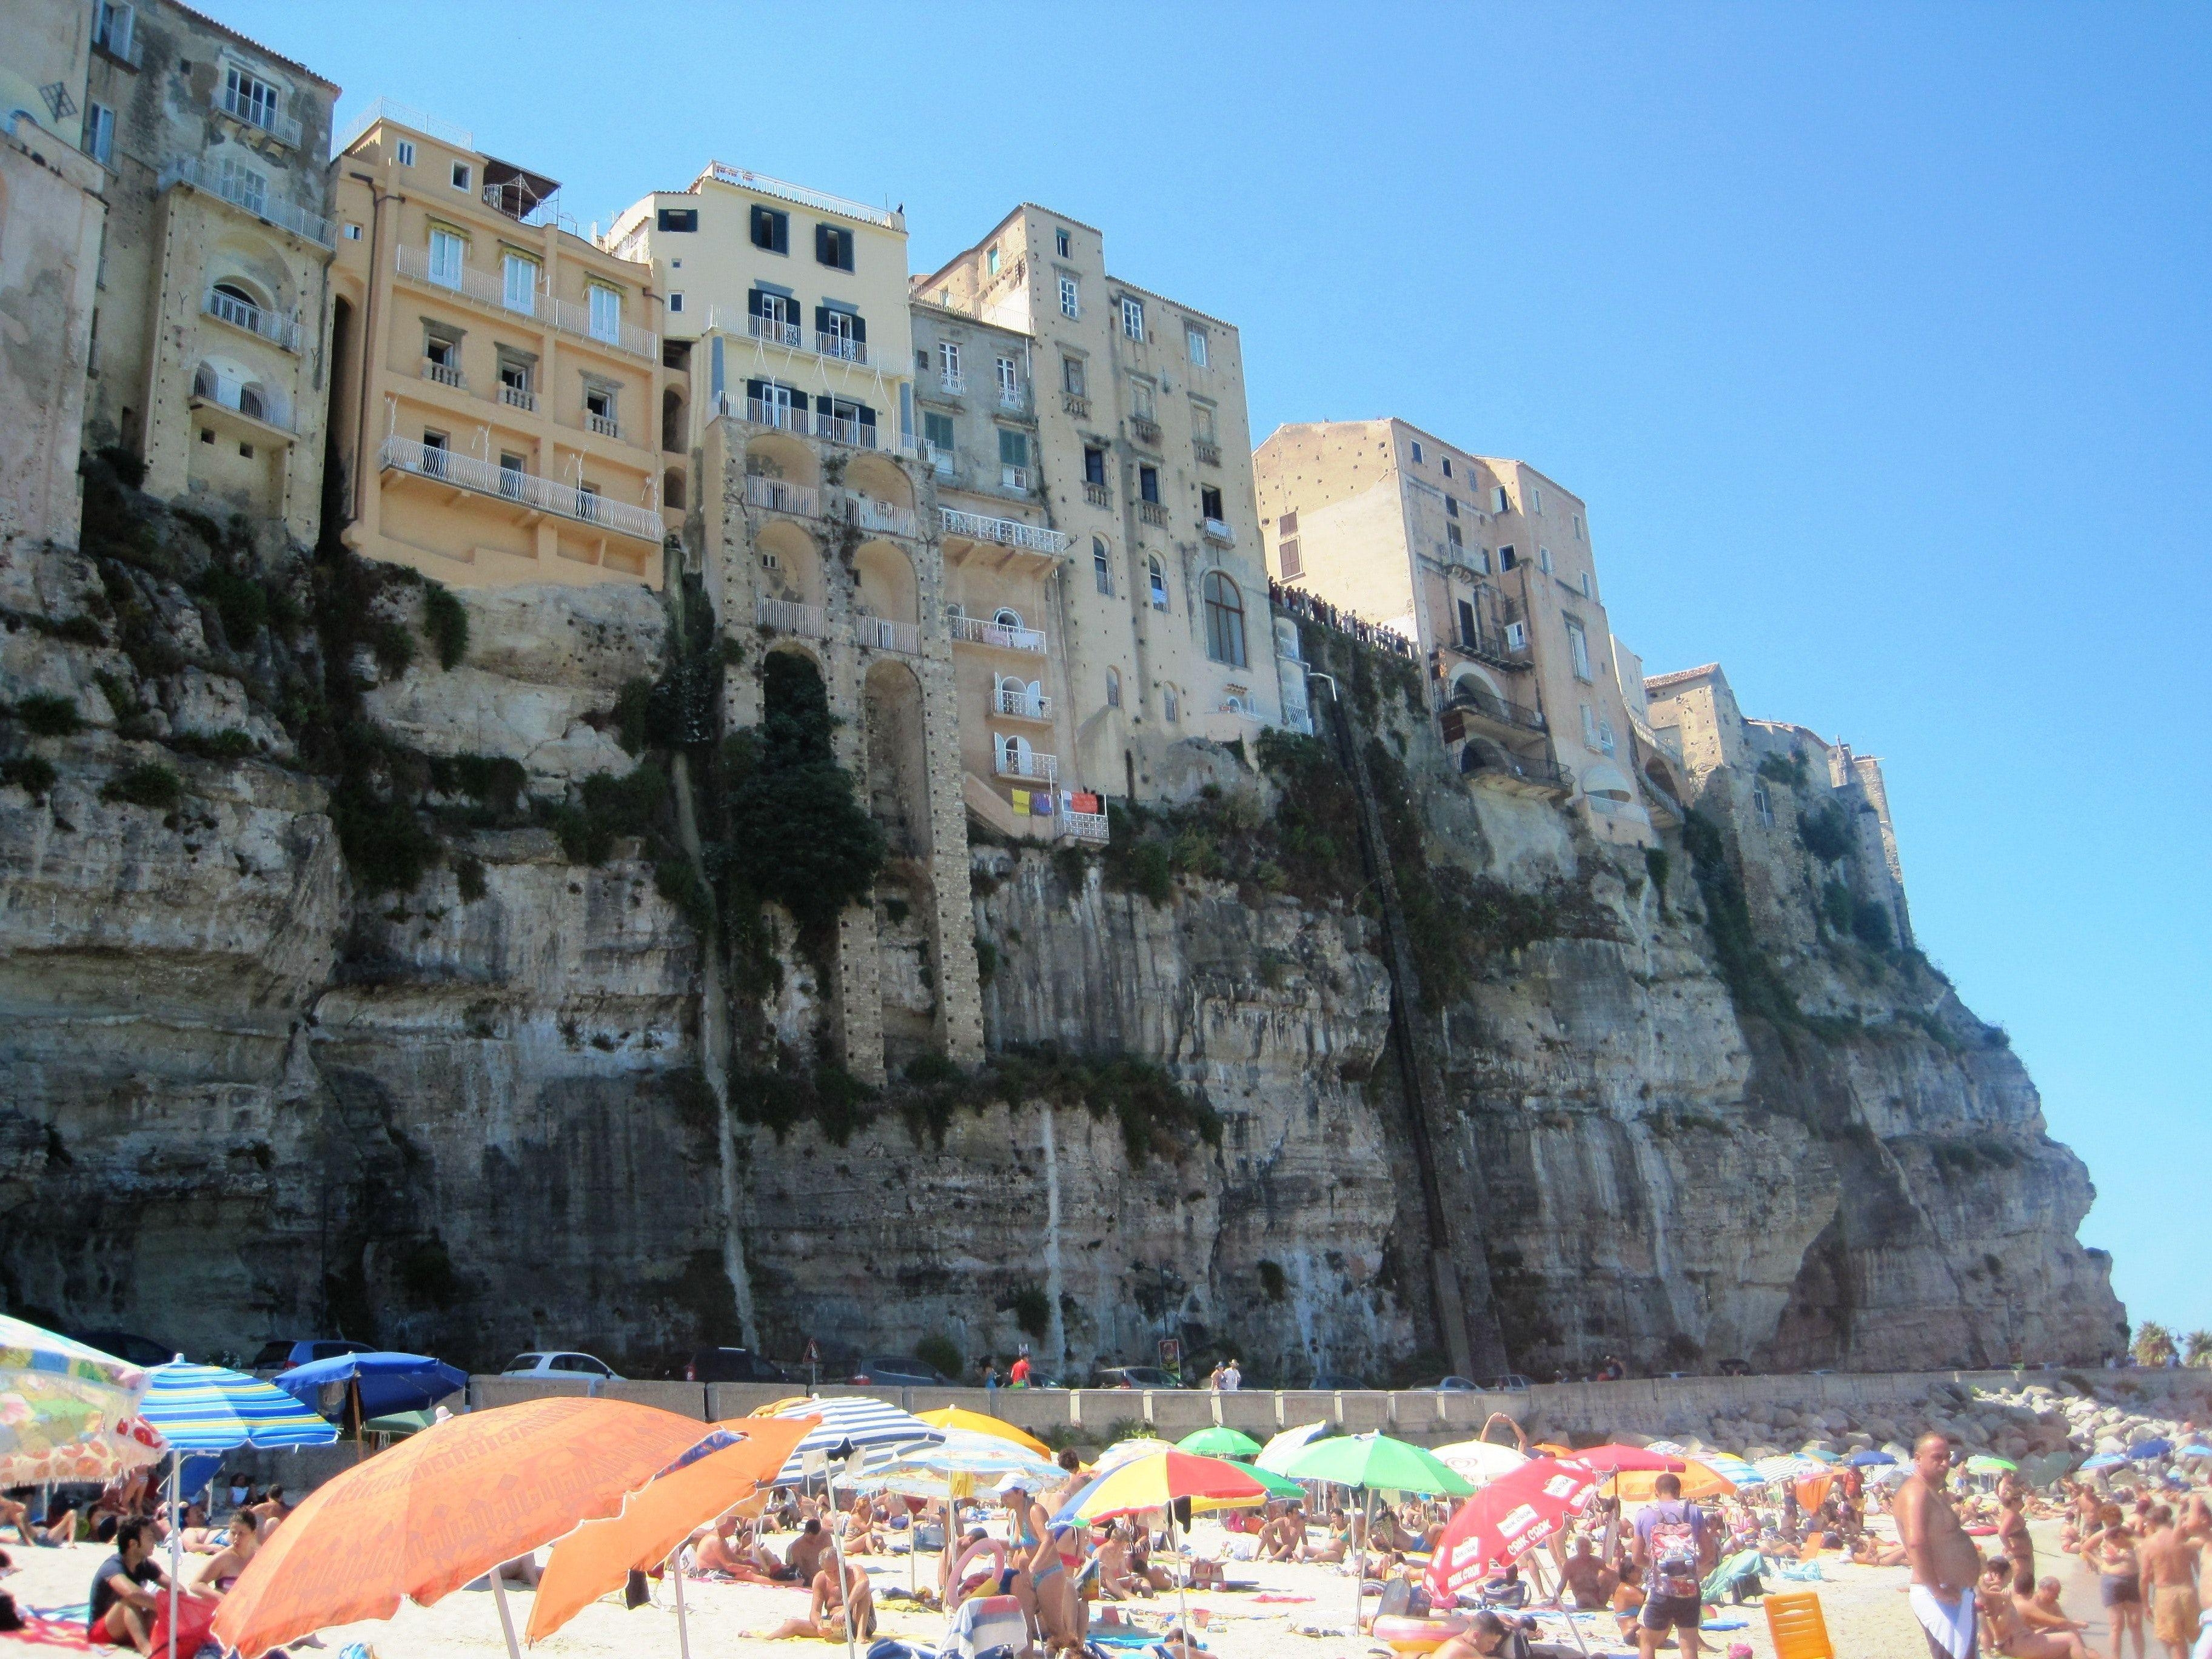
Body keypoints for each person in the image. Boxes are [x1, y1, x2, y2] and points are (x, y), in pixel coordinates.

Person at [1899, 1434, 1983, 1659]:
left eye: (1947, 1457)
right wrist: (1937, 1590)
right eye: (1937, 1458)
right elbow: (1916, 1543)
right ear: (1918, 1458)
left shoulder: (1930, 1493)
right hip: (1939, 1596)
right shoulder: (1916, 1493)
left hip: (1954, 1594)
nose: (1945, 1464)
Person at [1631, 1471, 1714, 1659]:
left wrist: (1656, 1566)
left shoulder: (1645, 1513)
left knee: (1648, 1641)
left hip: (1660, 1588)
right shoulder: (1693, 1511)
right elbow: (1709, 1554)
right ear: (1679, 1490)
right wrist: (1689, 1567)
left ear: (1656, 1491)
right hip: (1689, 1587)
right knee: (1689, 1644)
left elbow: (1636, 1558)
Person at [89, 1519, 167, 1653]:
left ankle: (149, 1642)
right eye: (149, 1538)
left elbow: (176, 1588)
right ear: (133, 1544)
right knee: (130, 1601)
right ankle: (146, 1650)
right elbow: (131, 1593)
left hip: (130, 1627)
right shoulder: (113, 1566)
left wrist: (169, 1601)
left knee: (162, 1597)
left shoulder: (145, 1565)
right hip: (102, 1631)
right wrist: (165, 1606)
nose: (154, 1541)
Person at [2143, 1504, 2202, 1659]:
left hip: (2166, 1595)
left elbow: (2144, 1577)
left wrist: (2145, 1604)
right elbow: (2199, 1569)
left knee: (2176, 1643)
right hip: (2189, 1592)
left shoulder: (2150, 1543)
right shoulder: (2184, 1539)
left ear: (2152, 1522)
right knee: (2200, 1638)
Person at [2090, 1506, 2148, 1659]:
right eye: (2109, 1524)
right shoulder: (2103, 1534)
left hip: (2132, 1579)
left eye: (2115, 1524)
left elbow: (2145, 1548)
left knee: (2136, 1625)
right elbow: (2085, 1547)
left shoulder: (2130, 1534)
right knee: (2117, 1626)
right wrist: (2100, 1563)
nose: (2112, 1528)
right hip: (2111, 1580)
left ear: (2120, 1520)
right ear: (2104, 1522)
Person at [192, 1510, 259, 1595]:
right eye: (233, 1533)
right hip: (225, 1607)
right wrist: (220, 1598)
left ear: (253, 1533)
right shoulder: (223, 1558)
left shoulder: (259, 1559)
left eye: (242, 1534)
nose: (236, 1538)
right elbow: (196, 1584)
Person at [1560, 1536, 1619, 1609]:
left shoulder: (1597, 1561)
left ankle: (1618, 1603)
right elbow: (1562, 1583)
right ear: (1577, 1548)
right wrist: (1554, 1600)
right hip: (1582, 1599)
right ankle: (1598, 1607)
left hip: (1598, 1596)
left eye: (1587, 1546)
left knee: (1612, 1579)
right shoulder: (1570, 1564)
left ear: (1591, 1548)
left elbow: (1612, 1574)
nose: (1584, 1549)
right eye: (1582, 1546)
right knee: (1584, 1596)